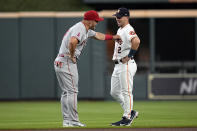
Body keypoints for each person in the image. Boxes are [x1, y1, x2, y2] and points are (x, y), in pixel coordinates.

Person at [54, 10, 121, 127]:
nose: (97, 23)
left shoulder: (85, 30)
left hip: (60, 61)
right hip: (67, 61)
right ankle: (73, 121)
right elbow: (72, 41)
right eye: (96, 21)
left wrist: (113, 37)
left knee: (66, 93)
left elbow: (98, 36)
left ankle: (67, 121)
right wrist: (72, 55)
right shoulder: (80, 28)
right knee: (72, 92)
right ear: (89, 21)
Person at [110, 7, 140, 126]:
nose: (117, 18)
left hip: (126, 64)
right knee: (114, 92)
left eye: (119, 16)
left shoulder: (128, 29)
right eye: (116, 16)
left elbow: (136, 41)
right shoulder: (120, 29)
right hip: (118, 65)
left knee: (126, 91)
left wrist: (129, 56)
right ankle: (131, 111)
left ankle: (127, 117)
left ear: (126, 17)